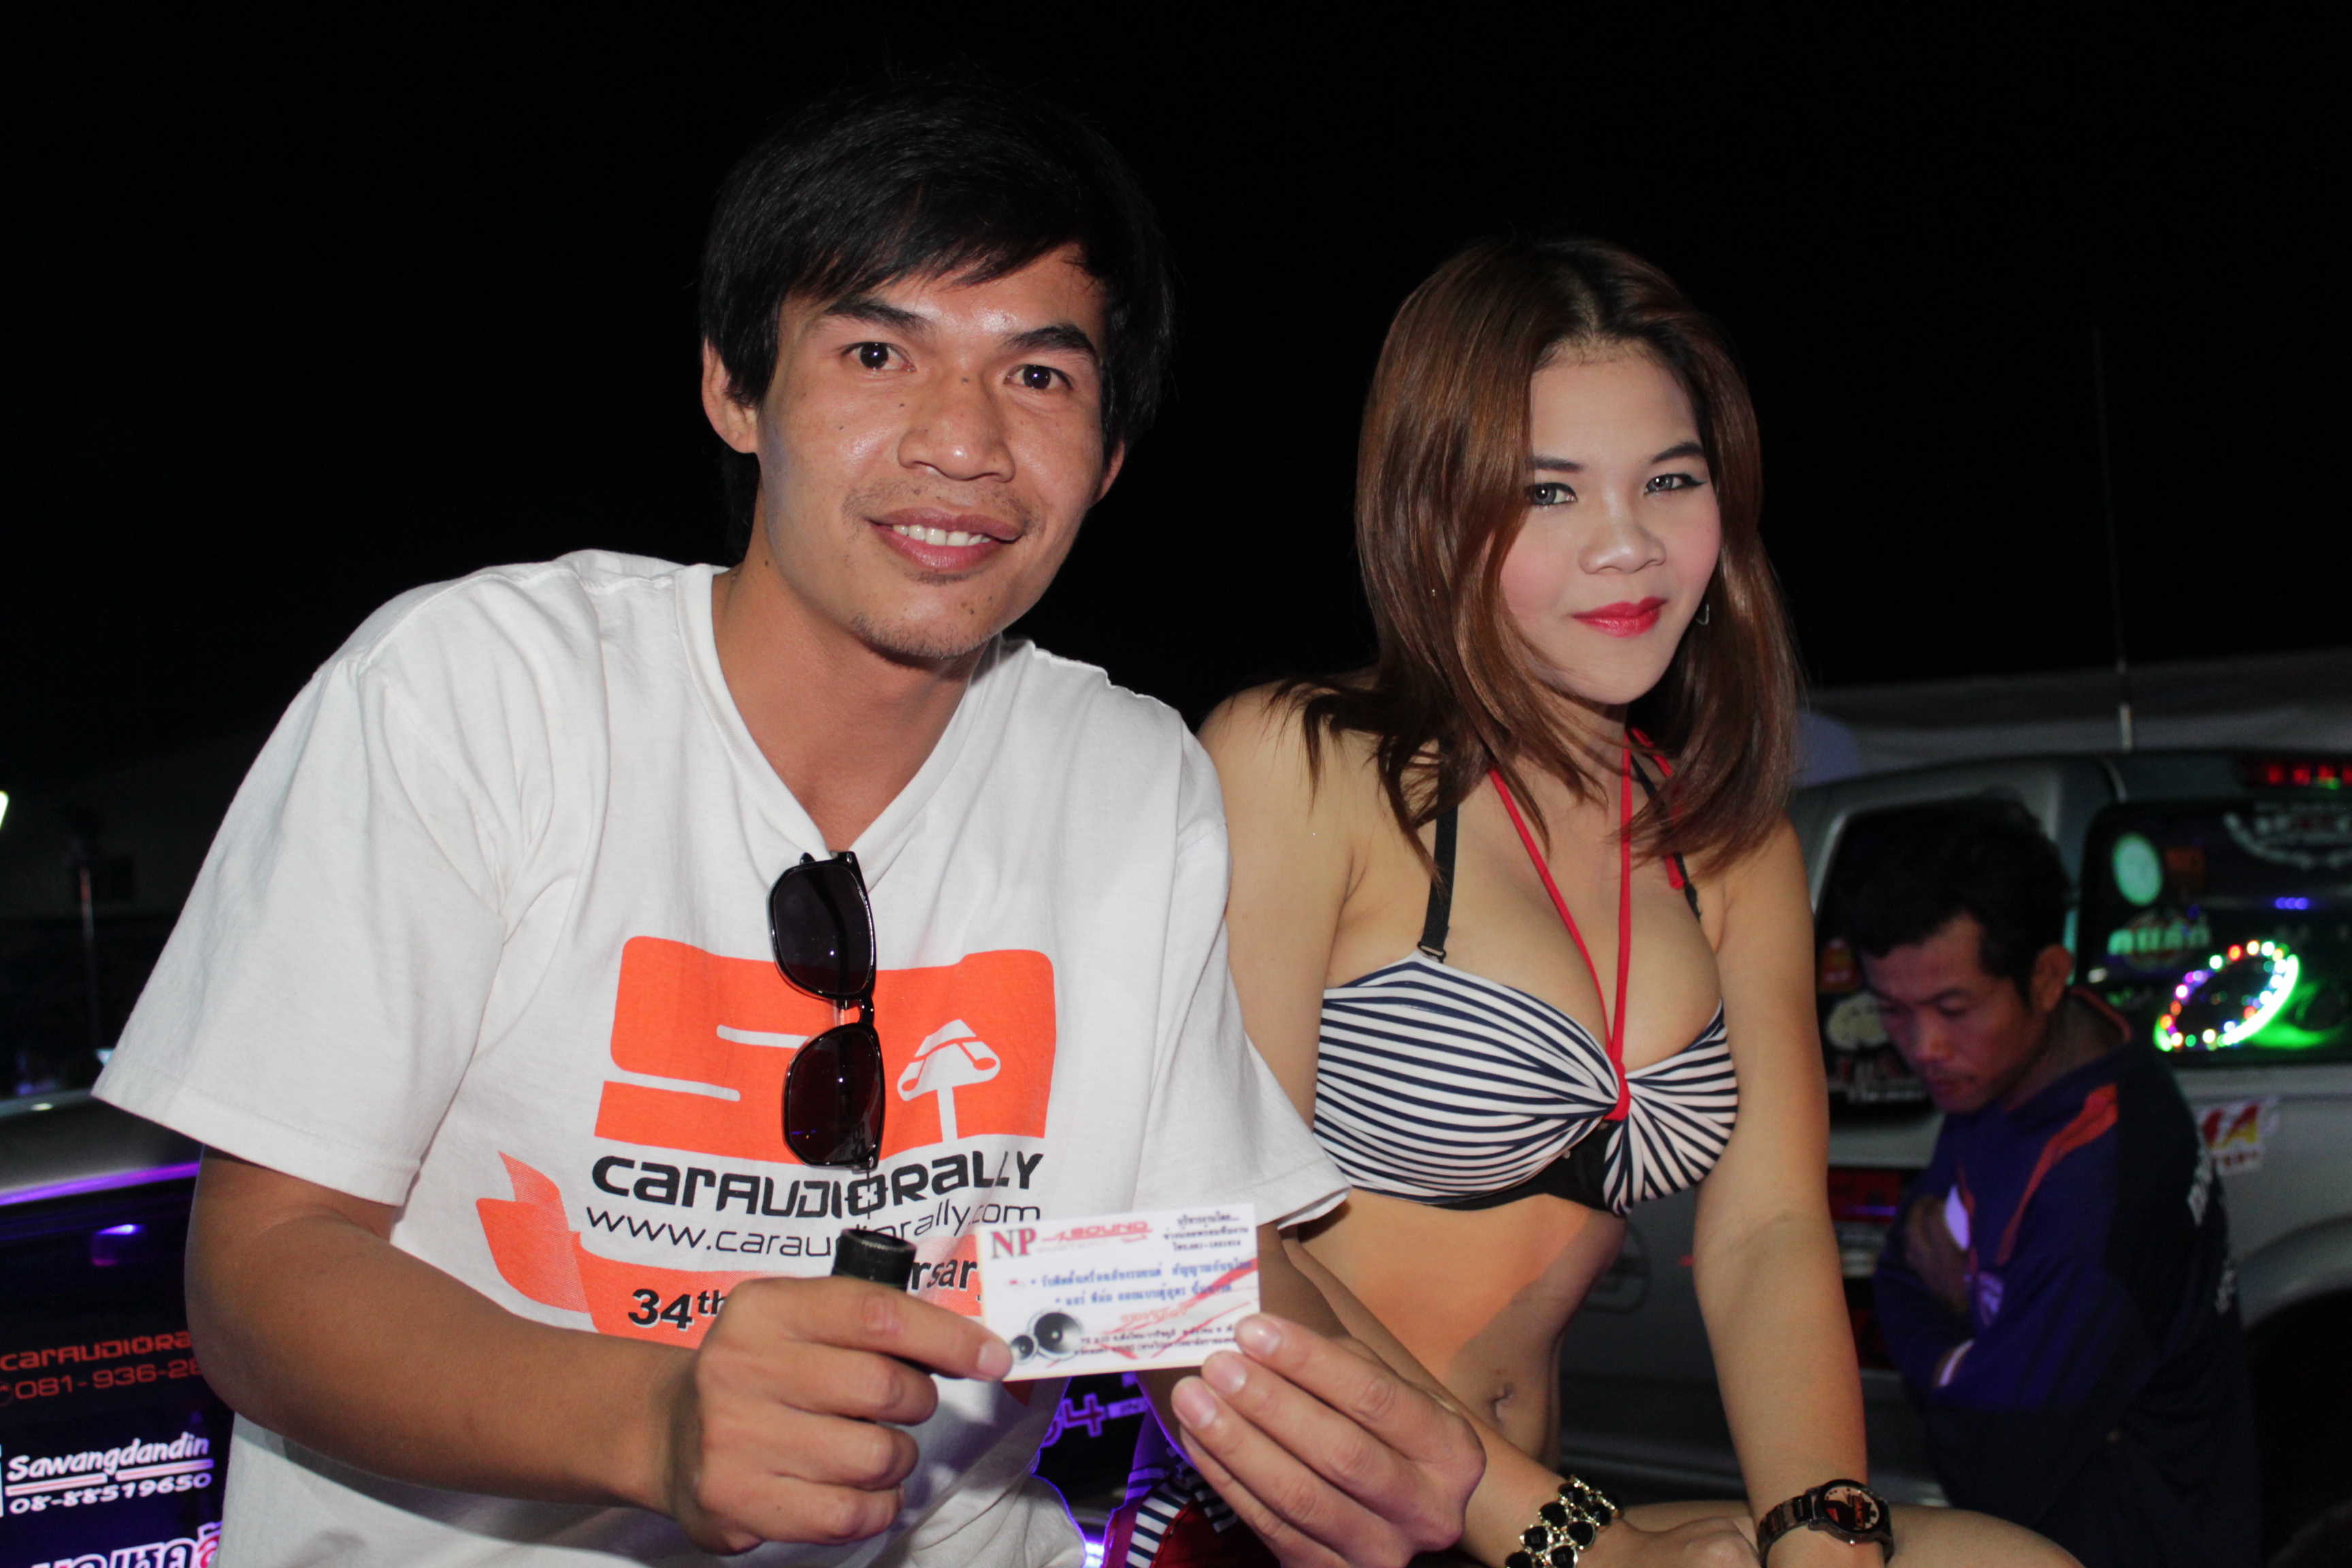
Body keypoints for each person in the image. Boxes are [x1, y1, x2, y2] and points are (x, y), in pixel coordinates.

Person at [88, 82, 1482, 1567]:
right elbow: (262, 1277)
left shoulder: (1128, 776)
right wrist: (658, 1421)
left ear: (1112, 450)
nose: (962, 443)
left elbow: (1164, 1269)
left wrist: (1484, 1499)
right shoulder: (477, 693)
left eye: (1038, 375)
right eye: (878, 352)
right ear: (733, 388)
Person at [1192, 238, 2074, 1566]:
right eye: (1548, 491)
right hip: (1297, 1505)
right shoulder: (1306, 763)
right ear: (1434, 506)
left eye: (1671, 479)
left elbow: (1770, 1232)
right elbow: (1223, 1230)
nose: (1628, 545)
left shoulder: (1728, 839)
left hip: (1542, 1514)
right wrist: (1575, 1541)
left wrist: (1823, 1523)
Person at [1846, 800, 2260, 1567]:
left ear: (2046, 977)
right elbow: (1904, 1267)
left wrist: (1951, 1344)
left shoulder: (2101, 1179)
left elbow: (1996, 1453)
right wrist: (1980, 1341)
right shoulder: (2006, 1075)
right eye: (1893, 1011)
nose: (1924, 1047)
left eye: (1952, 1007)